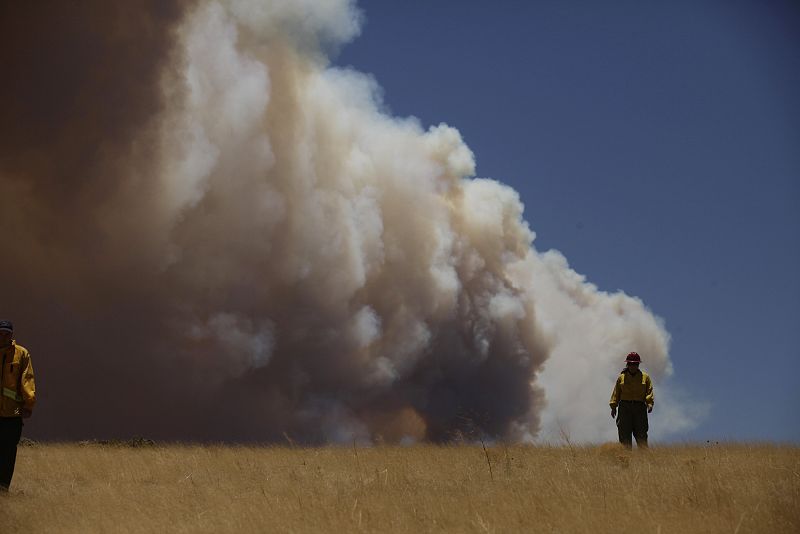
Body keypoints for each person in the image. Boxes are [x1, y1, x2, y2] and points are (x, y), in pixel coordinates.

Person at [0, 320, 36, 492]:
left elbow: (27, 379)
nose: (3, 336)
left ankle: (3, 488)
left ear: (11, 335)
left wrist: (29, 403)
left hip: (13, 412)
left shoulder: (21, 354)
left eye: (6, 333)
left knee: (8, 452)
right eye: (0, 333)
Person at [609, 352, 653, 449]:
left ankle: (645, 462)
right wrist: (613, 407)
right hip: (625, 409)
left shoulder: (645, 377)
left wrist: (649, 404)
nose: (633, 366)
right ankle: (626, 462)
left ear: (638, 365)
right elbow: (616, 393)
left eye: (635, 364)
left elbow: (649, 392)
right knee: (624, 437)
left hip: (639, 409)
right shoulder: (621, 378)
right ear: (627, 364)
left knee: (641, 436)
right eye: (630, 364)